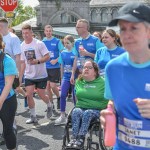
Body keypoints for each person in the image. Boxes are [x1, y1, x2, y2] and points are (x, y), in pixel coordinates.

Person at [100, 2, 150, 150]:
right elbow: (112, 102)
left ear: (148, 32)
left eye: (134, 28)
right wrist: (108, 113)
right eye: (123, 29)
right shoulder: (112, 68)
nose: (127, 35)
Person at [67, 60, 108, 149]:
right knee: (76, 111)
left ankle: (81, 139)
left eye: (89, 68)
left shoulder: (103, 82)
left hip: (97, 110)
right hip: (81, 107)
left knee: (88, 113)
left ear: (95, 71)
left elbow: (110, 97)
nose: (86, 69)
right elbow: (76, 97)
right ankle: (74, 138)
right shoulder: (79, 81)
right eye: (84, 67)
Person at [19, 24, 52, 124]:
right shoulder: (21, 46)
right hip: (29, 75)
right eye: (23, 33)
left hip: (41, 75)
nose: (25, 35)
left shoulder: (39, 43)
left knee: (41, 95)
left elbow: (47, 57)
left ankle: (49, 104)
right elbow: (22, 63)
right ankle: (33, 116)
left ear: (31, 33)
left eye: (27, 33)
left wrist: (37, 61)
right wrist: (20, 77)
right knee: (29, 95)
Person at [0, 33, 18, 150]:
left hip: (6, 100)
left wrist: (0, 102)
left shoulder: (7, 60)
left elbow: (8, 85)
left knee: (7, 131)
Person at [55, 35, 77, 125]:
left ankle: (76, 115)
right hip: (66, 77)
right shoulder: (63, 53)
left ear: (72, 43)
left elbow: (76, 66)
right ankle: (62, 116)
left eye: (68, 43)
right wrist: (61, 78)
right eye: (64, 43)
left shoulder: (75, 52)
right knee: (63, 94)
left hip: (75, 77)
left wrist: (73, 75)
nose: (66, 45)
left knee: (75, 96)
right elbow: (62, 66)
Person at [42, 25, 64, 110]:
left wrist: (56, 60)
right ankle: (51, 105)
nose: (48, 32)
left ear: (52, 31)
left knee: (53, 85)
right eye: (47, 31)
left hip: (54, 67)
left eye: (50, 31)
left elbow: (63, 53)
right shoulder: (42, 42)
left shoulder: (57, 41)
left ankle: (58, 97)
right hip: (45, 67)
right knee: (47, 87)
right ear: (44, 32)